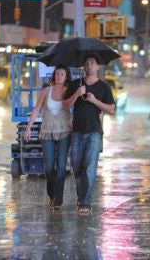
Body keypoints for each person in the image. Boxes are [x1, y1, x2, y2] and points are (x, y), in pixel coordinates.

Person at [63, 55, 115, 214]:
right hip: (77, 131)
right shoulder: (75, 85)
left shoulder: (104, 87)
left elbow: (111, 109)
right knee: (77, 166)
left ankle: (85, 203)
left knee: (90, 167)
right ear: (83, 67)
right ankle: (81, 196)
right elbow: (64, 105)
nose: (89, 66)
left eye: (92, 63)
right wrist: (76, 94)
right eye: (86, 63)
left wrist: (94, 101)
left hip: (94, 132)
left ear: (98, 67)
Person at [24, 64, 72, 210]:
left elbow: (76, 107)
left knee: (62, 166)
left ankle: (58, 199)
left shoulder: (69, 92)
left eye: (62, 74)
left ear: (66, 77)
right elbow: (36, 109)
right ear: (54, 76)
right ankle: (52, 194)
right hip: (47, 131)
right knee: (49, 166)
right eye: (57, 74)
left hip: (64, 131)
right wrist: (28, 127)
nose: (59, 77)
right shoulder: (46, 91)